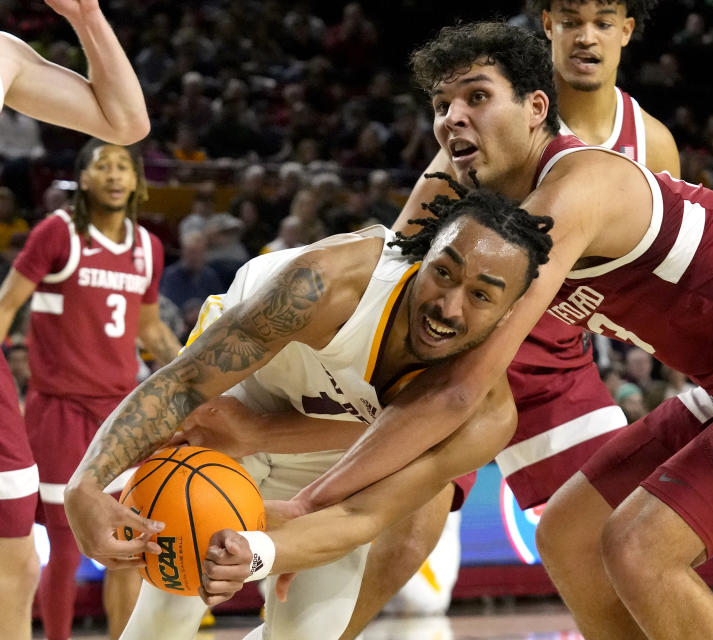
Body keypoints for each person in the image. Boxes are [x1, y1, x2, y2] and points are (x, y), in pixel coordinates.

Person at [210, 22, 713, 639]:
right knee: (569, 534)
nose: (454, 118)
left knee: (641, 547)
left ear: (537, 107)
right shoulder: (484, 200)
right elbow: (392, 308)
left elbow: (459, 391)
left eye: (477, 98)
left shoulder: (573, 191)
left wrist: (305, 502)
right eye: (441, 106)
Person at [64, 181, 553, 640]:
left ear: (510, 313)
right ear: (422, 257)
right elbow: (187, 384)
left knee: (311, 630)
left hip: (326, 453)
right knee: (170, 605)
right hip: (238, 401)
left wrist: (255, 553)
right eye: (443, 273)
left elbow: (361, 513)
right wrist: (84, 483)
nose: (449, 306)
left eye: (481, 295)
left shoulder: (483, 416)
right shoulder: (326, 285)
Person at [334, 2, 680, 635]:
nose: (586, 36)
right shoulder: (494, 113)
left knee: (622, 532)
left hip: (557, 356)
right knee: (408, 537)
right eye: (572, 19)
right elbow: (409, 247)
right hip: (464, 346)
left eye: (604, 21)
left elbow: (656, 274)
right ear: (546, 25)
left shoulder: (650, 141)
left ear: (627, 32)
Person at [0, 1, 151, 637]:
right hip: (62, 401)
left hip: (112, 400)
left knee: (15, 558)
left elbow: (126, 121)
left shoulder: (3, 52)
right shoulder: (58, 231)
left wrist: (86, 15)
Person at [0, 139, 180, 640]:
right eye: (104, 166)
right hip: (58, 409)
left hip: (121, 415)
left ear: (138, 181)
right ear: (83, 179)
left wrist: (196, 373)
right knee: (64, 545)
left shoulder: (148, 248)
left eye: (124, 166)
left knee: (126, 545)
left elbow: (150, 330)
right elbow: (6, 303)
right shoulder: (57, 233)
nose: (115, 175)